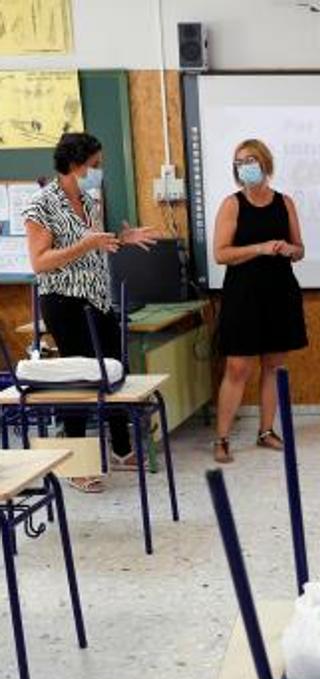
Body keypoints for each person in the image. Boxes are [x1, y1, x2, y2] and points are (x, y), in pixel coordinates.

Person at [23, 132, 163, 493]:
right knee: (80, 380)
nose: (98, 171)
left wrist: (121, 239)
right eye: (95, 165)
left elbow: (96, 246)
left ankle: (120, 448)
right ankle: (75, 466)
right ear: (74, 164)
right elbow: (40, 263)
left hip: (97, 300)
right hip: (64, 303)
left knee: (113, 372)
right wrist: (85, 243)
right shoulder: (42, 204)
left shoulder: (88, 200)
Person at [211, 138, 308, 464]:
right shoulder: (232, 204)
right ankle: (222, 438)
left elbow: (300, 249)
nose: (245, 166)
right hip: (243, 295)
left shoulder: (285, 202)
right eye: (239, 162)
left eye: (251, 159)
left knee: (273, 366)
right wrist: (260, 248)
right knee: (237, 368)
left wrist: (289, 250)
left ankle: (266, 431)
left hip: (280, 292)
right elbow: (221, 254)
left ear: (265, 163)